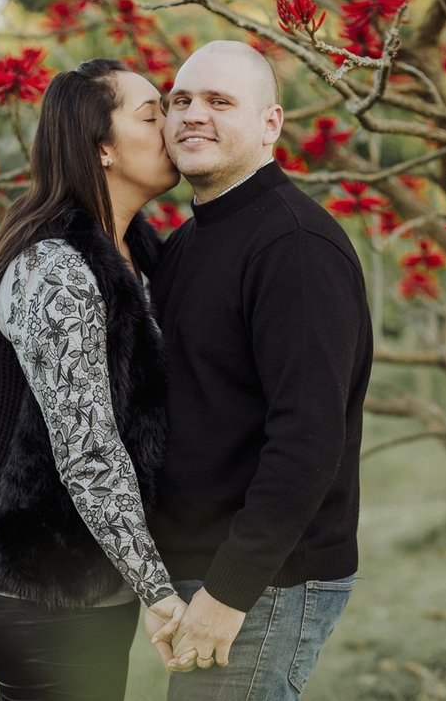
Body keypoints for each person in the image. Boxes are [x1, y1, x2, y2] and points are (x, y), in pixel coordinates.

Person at [0, 58, 188, 701]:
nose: (173, 125)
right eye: (151, 114)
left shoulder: (140, 250)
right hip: (28, 576)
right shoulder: (56, 270)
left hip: (84, 569)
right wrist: (157, 591)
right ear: (101, 148)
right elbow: (88, 448)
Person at [148, 40, 374, 699]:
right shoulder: (189, 241)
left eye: (220, 101)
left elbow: (307, 438)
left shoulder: (294, 246)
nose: (192, 115)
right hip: (210, 570)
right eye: (180, 101)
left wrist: (226, 593)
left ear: (270, 124)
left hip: (269, 580)